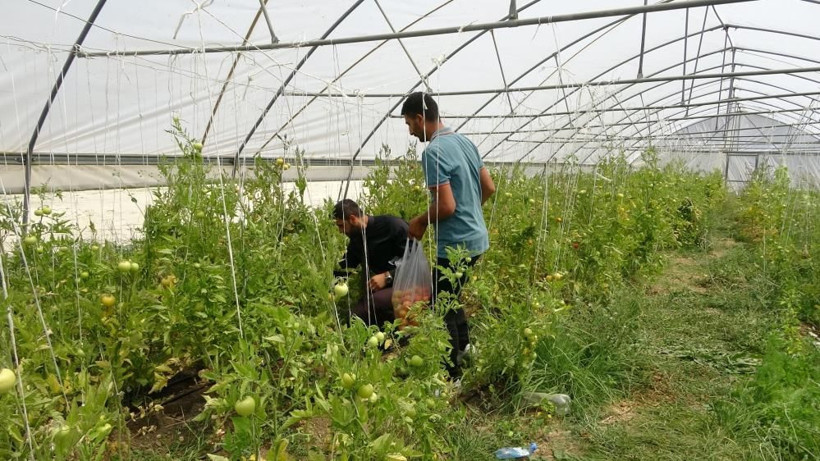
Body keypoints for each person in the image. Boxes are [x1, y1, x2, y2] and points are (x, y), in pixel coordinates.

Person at [401, 92, 496, 378]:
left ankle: (450, 374)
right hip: (477, 238)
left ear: (420, 118)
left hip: (457, 244)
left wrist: (420, 221)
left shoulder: (433, 152)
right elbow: (489, 188)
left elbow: (446, 206)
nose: (410, 131)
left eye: (410, 124)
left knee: (440, 305)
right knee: (450, 296)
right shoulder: (465, 142)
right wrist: (470, 213)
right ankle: (466, 350)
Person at [333, 199, 409, 327]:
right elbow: (346, 266)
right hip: (387, 288)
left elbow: (416, 262)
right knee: (362, 313)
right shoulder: (357, 238)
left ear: (352, 219)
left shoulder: (393, 226)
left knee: (368, 308)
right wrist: (330, 285)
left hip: (411, 283)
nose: (340, 231)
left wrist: (387, 276)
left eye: (341, 225)